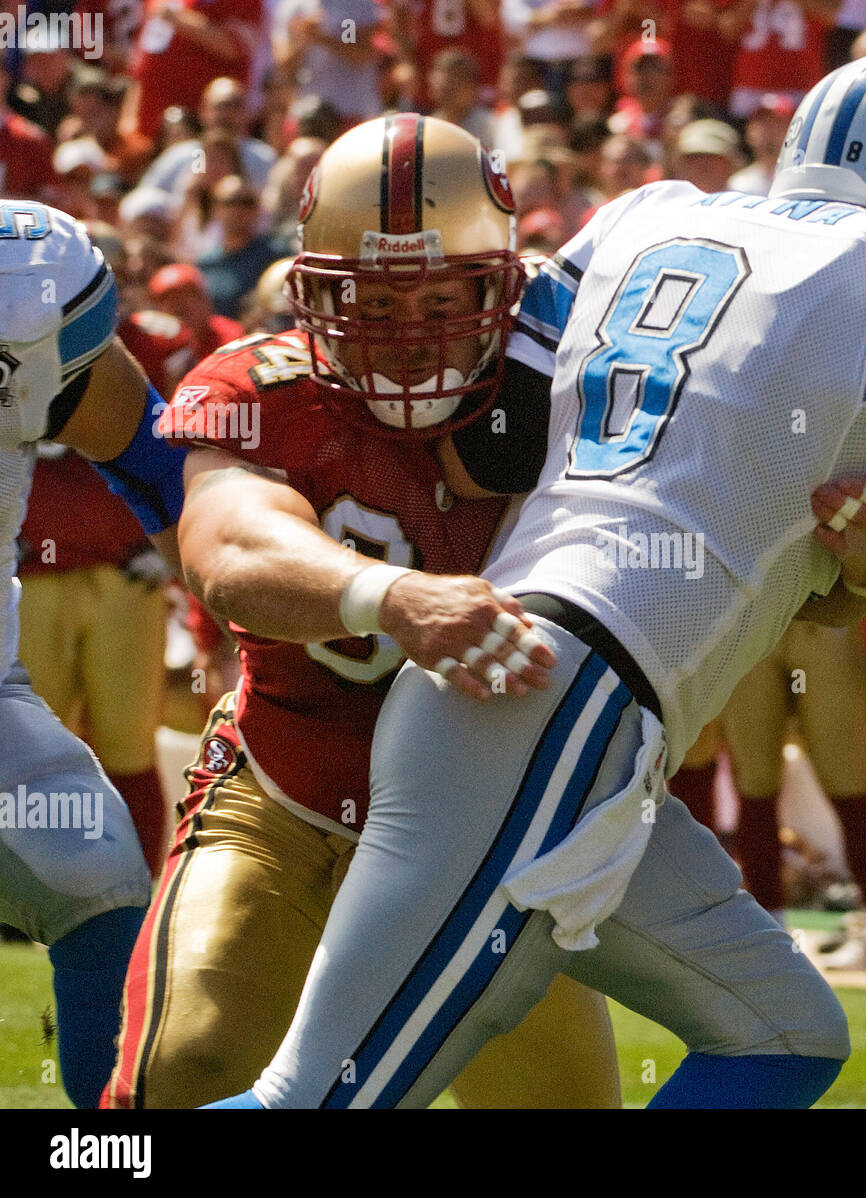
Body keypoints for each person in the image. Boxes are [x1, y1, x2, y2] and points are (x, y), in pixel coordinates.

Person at [208, 54, 866, 1110]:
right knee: (318, 1102)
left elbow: (495, 450)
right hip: (558, 699)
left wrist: (842, 519)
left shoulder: (646, 215)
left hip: (558, 709)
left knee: (782, 1032)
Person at [103, 116, 624, 1110]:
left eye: (442, 295)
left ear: (500, 288)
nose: (407, 329)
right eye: (372, 300)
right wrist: (389, 595)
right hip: (287, 801)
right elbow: (228, 546)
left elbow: (778, 584)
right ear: (313, 296)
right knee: (186, 1072)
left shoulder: (568, 397)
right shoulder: (264, 388)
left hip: (490, 839)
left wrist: (848, 560)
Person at [0, 199, 189, 1106]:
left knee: (94, 867)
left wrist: (260, 609)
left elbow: (159, 465)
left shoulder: (24, 282)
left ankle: (111, 1153)